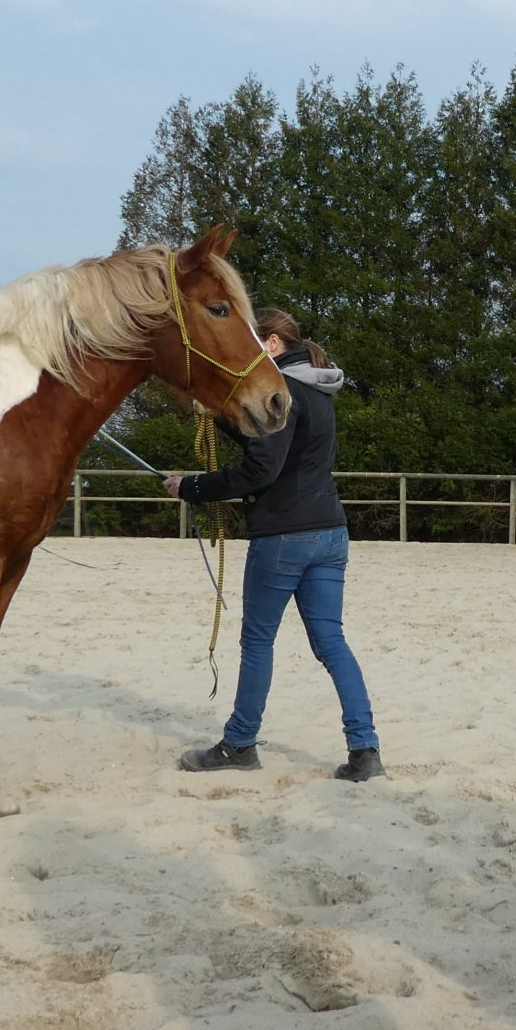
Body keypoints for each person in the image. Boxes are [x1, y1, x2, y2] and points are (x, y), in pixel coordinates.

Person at [170, 309, 383, 782]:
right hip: (330, 530)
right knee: (332, 643)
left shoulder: (281, 389)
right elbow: (270, 445)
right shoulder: (315, 387)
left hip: (283, 536)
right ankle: (365, 752)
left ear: (269, 343)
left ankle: (240, 744)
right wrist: (219, 417)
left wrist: (193, 486)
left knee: (257, 642)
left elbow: (261, 468)